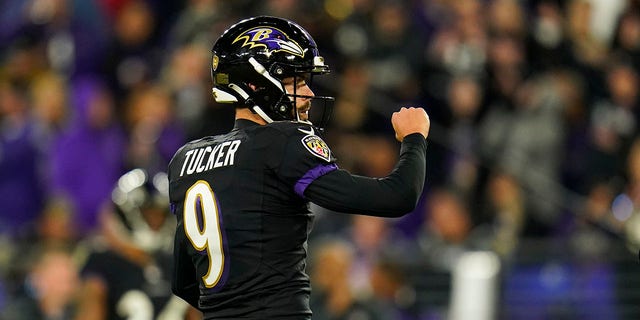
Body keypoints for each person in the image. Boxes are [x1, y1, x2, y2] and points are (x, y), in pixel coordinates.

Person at [168, 16, 430, 319]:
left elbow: (184, 281)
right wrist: (414, 138)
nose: (307, 95)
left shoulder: (185, 159)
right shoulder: (282, 142)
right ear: (256, 84)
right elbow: (397, 196)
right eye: (295, 82)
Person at [74, 168, 200, 320]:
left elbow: (196, 313)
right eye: (148, 214)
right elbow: (91, 312)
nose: (156, 222)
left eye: (159, 214)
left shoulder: (178, 260)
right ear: (125, 213)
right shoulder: (102, 261)